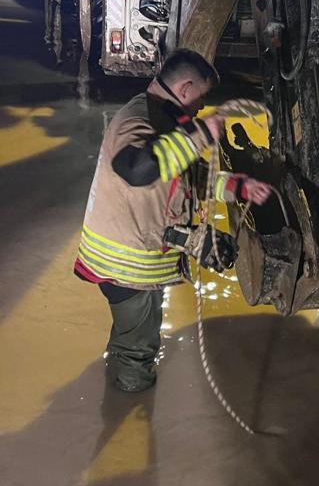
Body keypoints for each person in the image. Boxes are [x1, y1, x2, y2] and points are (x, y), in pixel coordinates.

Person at [74, 49, 271, 392]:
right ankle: (131, 400)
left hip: (135, 262)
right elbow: (136, 169)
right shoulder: (136, 121)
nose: (201, 107)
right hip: (124, 267)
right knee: (140, 346)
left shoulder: (163, 117)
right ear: (185, 89)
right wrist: (198, 135)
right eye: (201, 97)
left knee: (132, 331)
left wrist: (237, 187)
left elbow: (184, 179)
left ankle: (118, 368)